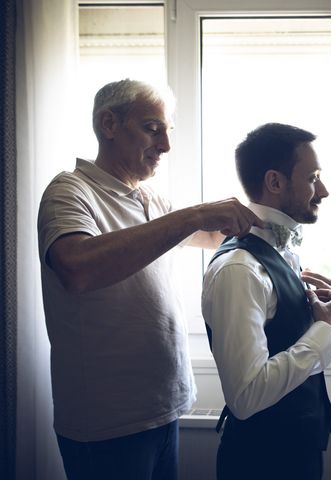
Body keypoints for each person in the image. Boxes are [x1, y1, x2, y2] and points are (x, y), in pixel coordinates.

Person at [37, 79, 264, 480]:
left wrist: (273, 227)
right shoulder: (70, 192)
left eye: (168, 131)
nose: (165, 145)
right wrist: (193, 215)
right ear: (109, 124)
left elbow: (210, 234)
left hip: (163, 407)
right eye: (152, 128)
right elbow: (77, 269)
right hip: (107, 422)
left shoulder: (151, 197)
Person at [201, 123, 331, 480]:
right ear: (275, 182)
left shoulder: (283, 254)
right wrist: (324, 333)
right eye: (313, 178)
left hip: (297, 452)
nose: (324, 190)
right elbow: (246, 396)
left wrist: (308, 315)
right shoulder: (239, 270)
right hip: (261, 462)